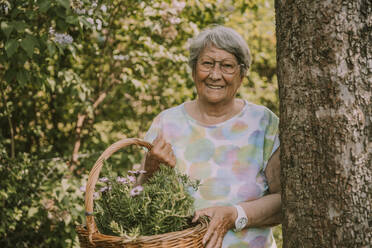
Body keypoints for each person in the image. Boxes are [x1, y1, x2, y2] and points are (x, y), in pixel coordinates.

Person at [138, 25, 281, 248]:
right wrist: (150, 169)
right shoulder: (166, 123)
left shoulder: (263, 123)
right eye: (207, 64)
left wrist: (235, 215)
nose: (215, 75)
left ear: (242, 74)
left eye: (227, 66)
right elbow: (138, 204)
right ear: (194, 70)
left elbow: (286, 202)